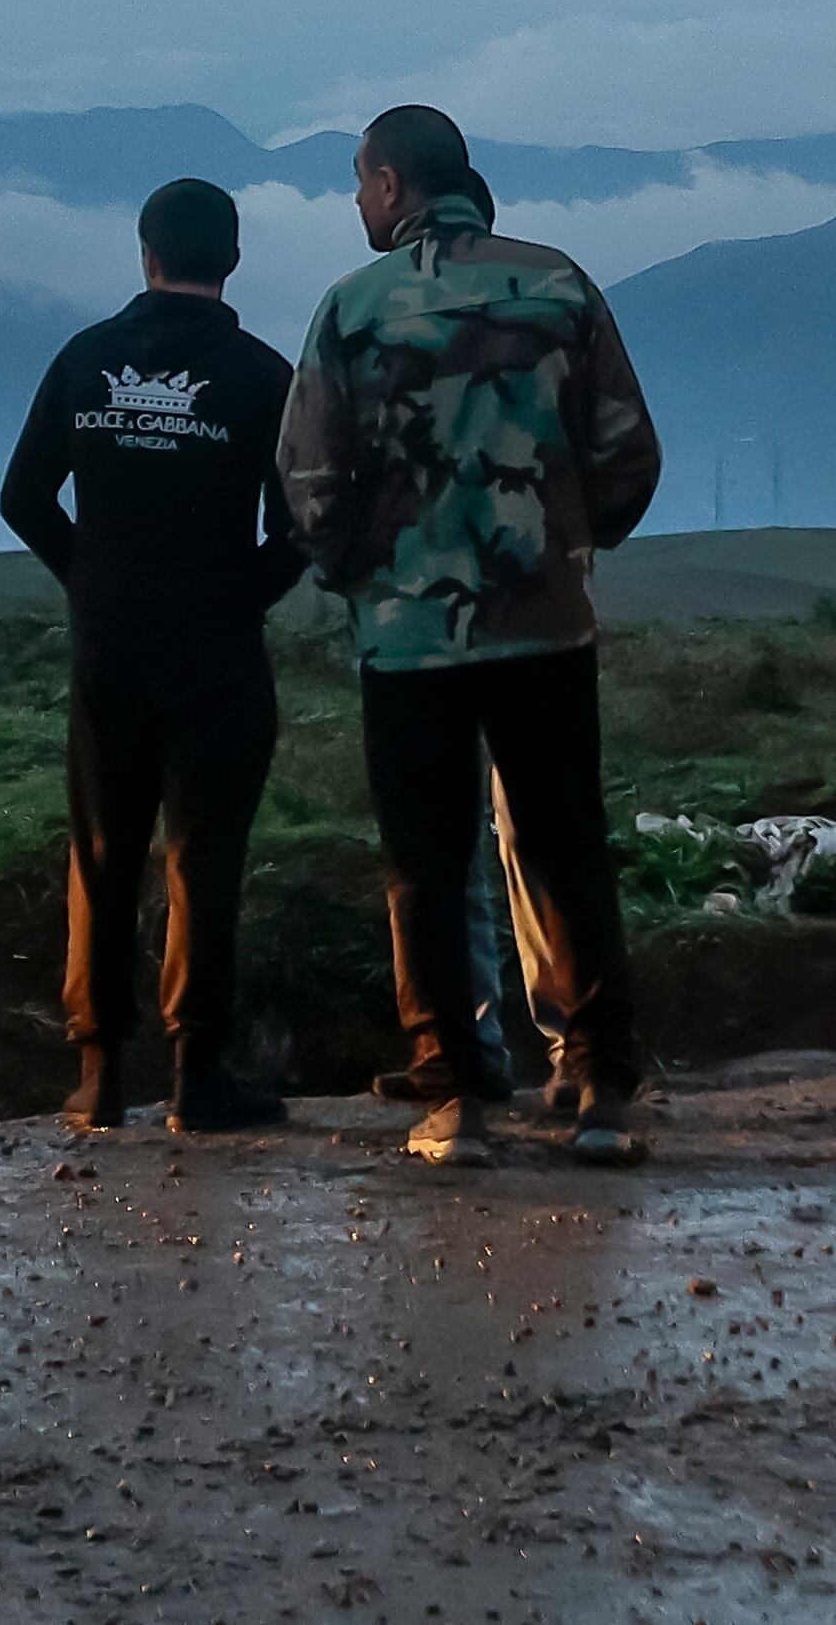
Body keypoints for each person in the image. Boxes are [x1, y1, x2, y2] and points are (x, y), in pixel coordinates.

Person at [282, 102, 665, 1169]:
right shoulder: (557, 285)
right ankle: (593, 1083)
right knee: (564, 846)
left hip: (407, 639)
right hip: (543, 623)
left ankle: (453, 1097)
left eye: (361, 183)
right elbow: (627, 449)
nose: (359, 202)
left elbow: (309, 475)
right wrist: (570, 546)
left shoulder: (351, 310)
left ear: (392, 186)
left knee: (423, 861)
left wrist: (356, 574)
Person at [0, 177, 310, 1132]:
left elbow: (22, 498)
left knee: (102, 851)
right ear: (234, 258)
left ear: (144, 254)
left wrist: (90, 581)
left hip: (109, 650)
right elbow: (300, 524)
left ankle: (96, 1077)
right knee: (204, 857)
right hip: (217, 654)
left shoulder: (86, 359)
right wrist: (234, 598)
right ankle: (195, 1077)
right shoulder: (262, 376)